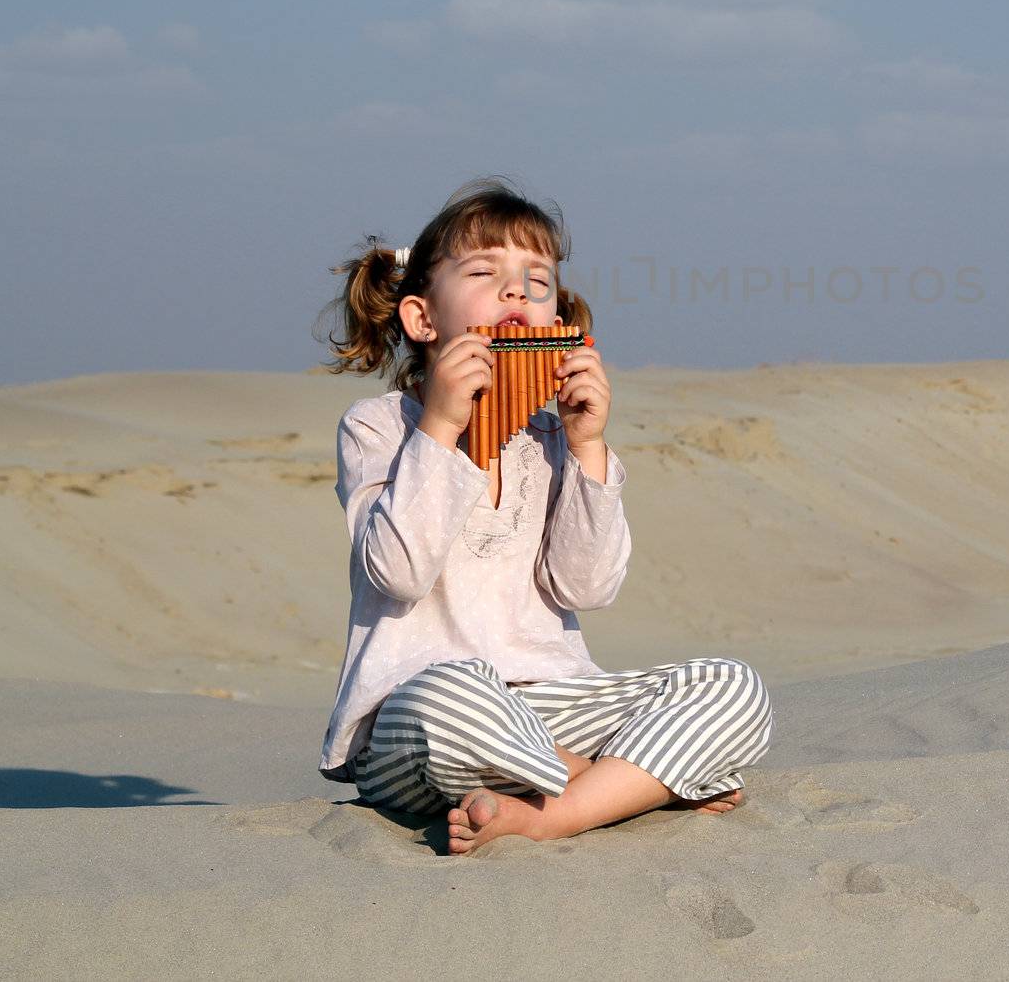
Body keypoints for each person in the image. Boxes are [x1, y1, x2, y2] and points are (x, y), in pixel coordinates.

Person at [315, 176, 772, 854]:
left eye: (537, 280)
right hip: (420, 721)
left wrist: (587, 448)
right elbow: (399, 573)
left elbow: (587, 588)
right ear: (423, 319)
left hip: (555, 700)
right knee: (456, 696)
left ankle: (547, 812)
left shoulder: (551, 439)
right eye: (483, 272)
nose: (516, 293)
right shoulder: (380, 428)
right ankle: (634, 785)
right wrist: (442, 427)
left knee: (733, 686)